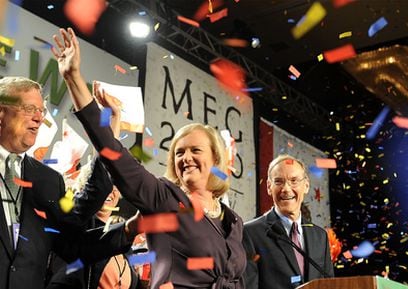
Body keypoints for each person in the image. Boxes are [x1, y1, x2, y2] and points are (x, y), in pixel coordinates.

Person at [51, 27, 246, 289]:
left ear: (215, 158)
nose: (185, 157)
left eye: (195, 150)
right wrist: (73, 77)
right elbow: (112, 151)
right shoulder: (163, 197)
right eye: (179, 152)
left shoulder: (234, 221)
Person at [0, 76, 137, 289]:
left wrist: (129, 229)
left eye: (42, 111)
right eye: (29, 109)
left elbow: (73, 245)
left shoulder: (47, 180)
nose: (38, 118)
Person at [242, 154, 334, 289]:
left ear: (306, 186)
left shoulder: (320, 236)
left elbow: (329, 284)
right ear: (268, 187)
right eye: (279, 181)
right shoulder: (250, 233)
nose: (286, 189)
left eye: (294, 181)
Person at [46, 186, 143, 289]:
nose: (110, 192)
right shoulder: (73, 229)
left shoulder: (126, 247)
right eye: (106, 186)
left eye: (115, 188)